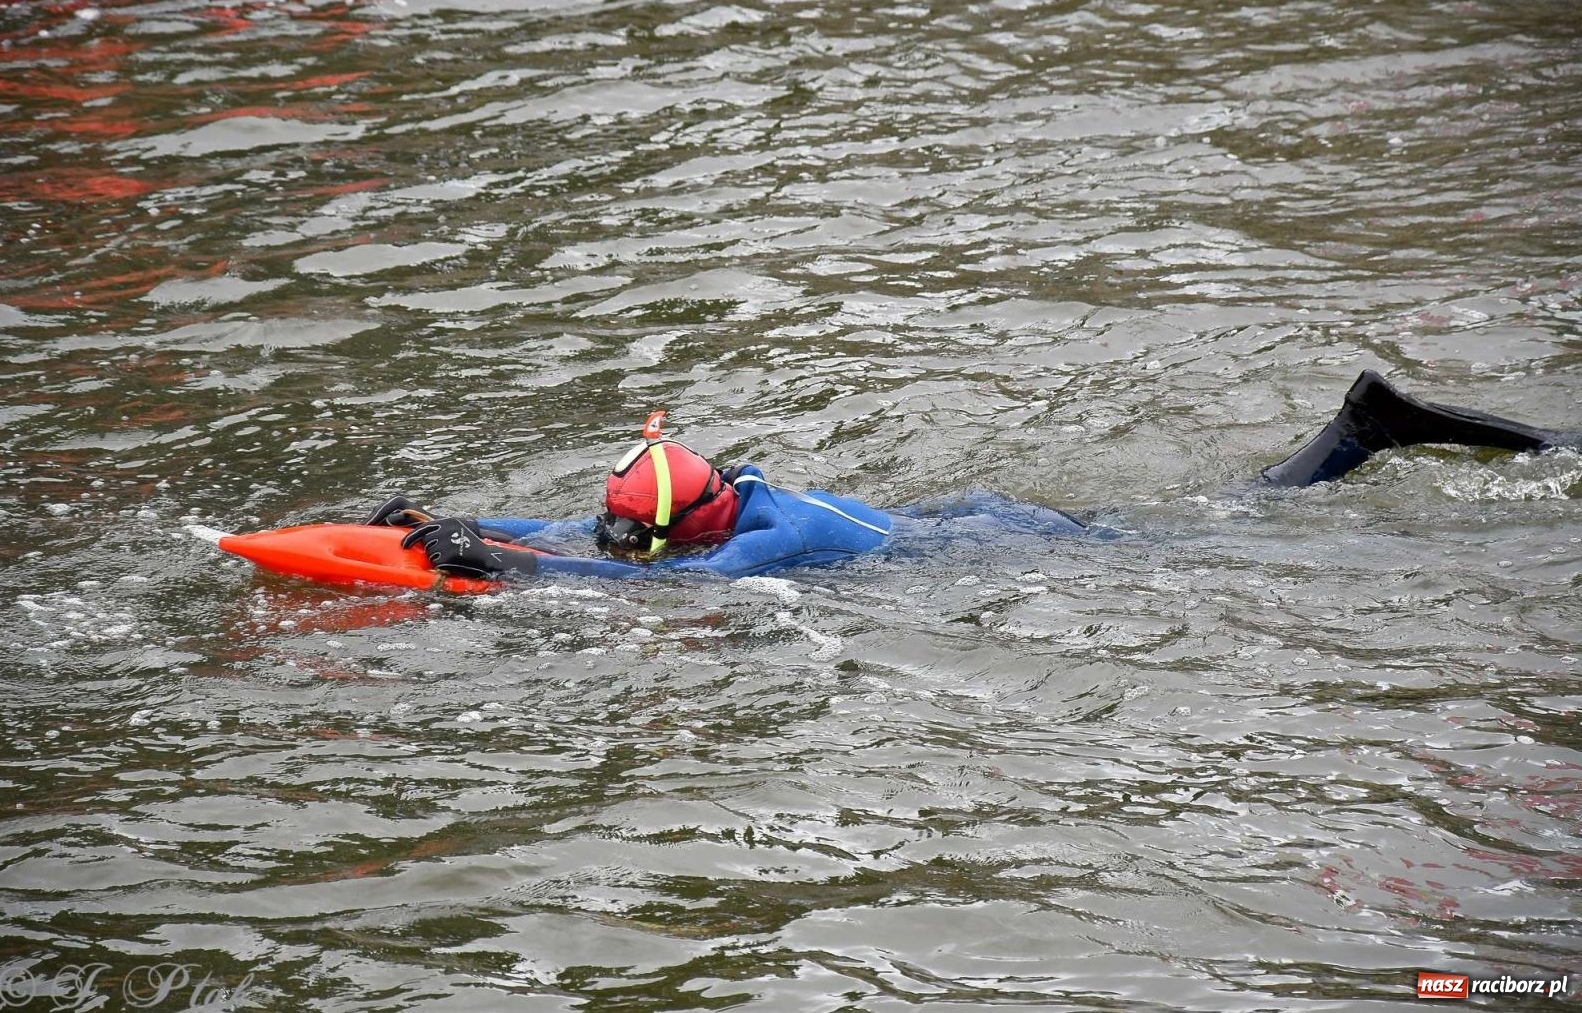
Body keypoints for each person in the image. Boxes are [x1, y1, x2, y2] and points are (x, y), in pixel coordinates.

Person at [365, 372, 1578, 582]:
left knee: (1236, 532)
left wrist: (510, 576)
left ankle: (1363, 433)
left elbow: (664, 587)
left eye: (645, 537)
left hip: (999, 552)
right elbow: (600, 535)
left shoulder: (761, 543)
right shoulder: (711, 498)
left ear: (690, 518)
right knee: (1223, 510)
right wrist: (461, 522)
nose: (629, 546)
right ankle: (1360, 431)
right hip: (954, 522)